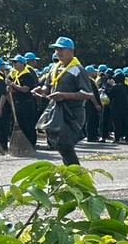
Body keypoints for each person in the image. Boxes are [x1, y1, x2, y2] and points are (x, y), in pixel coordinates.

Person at [38, 37, 93, 167]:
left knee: (66, 144)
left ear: (71, 50)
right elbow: (47, 86)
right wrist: (41, 90)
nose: (58, 52)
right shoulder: (54, 69)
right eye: (56, 49)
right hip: (56, 111)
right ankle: (72, 173)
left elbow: (87, 94)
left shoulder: (78, 69)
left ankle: (76, 175)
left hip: (73, 112)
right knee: (59, 144)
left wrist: (64, 95)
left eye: (61, 49)